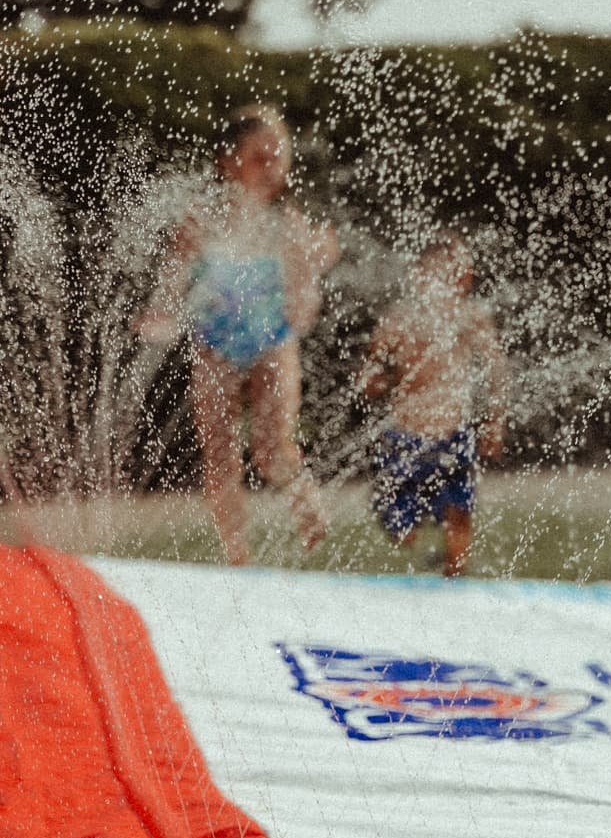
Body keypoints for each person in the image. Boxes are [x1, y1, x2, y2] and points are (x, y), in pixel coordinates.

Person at [143, 105, 338, 564]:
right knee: (220, 451)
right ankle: (237, 552)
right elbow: (175, 272)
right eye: (260, 158)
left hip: (272, 340)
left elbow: (302, 296)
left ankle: (305, 502)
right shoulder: (203, 217)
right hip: (215, 341)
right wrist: (163, 311)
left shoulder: (287, 222)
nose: (272, 168)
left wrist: (312, 272)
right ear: (228, 162)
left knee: (272, 450)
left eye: (279, 158)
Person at [360, 233, 507, 578]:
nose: (457, 280)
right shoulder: (398, 320)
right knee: (403, 531)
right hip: (405, 436)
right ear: (420, 277)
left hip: (452, 433)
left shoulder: (470, 318)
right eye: (446, 271)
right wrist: (375, 382)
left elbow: (496, 368)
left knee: (459, 514)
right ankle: (399, 514)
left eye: (462, 273)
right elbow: (371, 373)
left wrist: (495, 420)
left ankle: (454, 575)